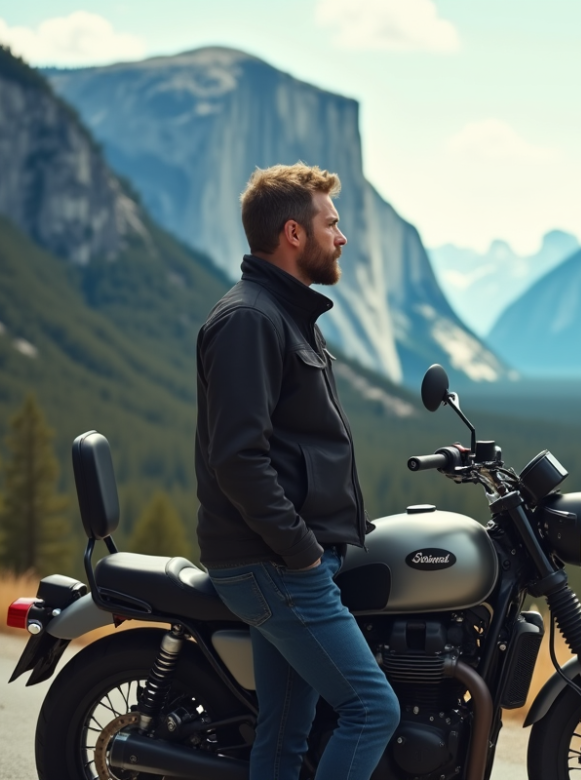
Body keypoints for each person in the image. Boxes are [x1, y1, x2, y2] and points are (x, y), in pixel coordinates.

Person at [194, 163, 400, 780]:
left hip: (282, 559)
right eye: (330, 224)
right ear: (293, 233)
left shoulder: (285, 314)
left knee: (284, 734)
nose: (342, 236)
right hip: (276, 563)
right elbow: (238, 457)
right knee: (371, 709)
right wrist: (303, 552)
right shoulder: (251, 320)